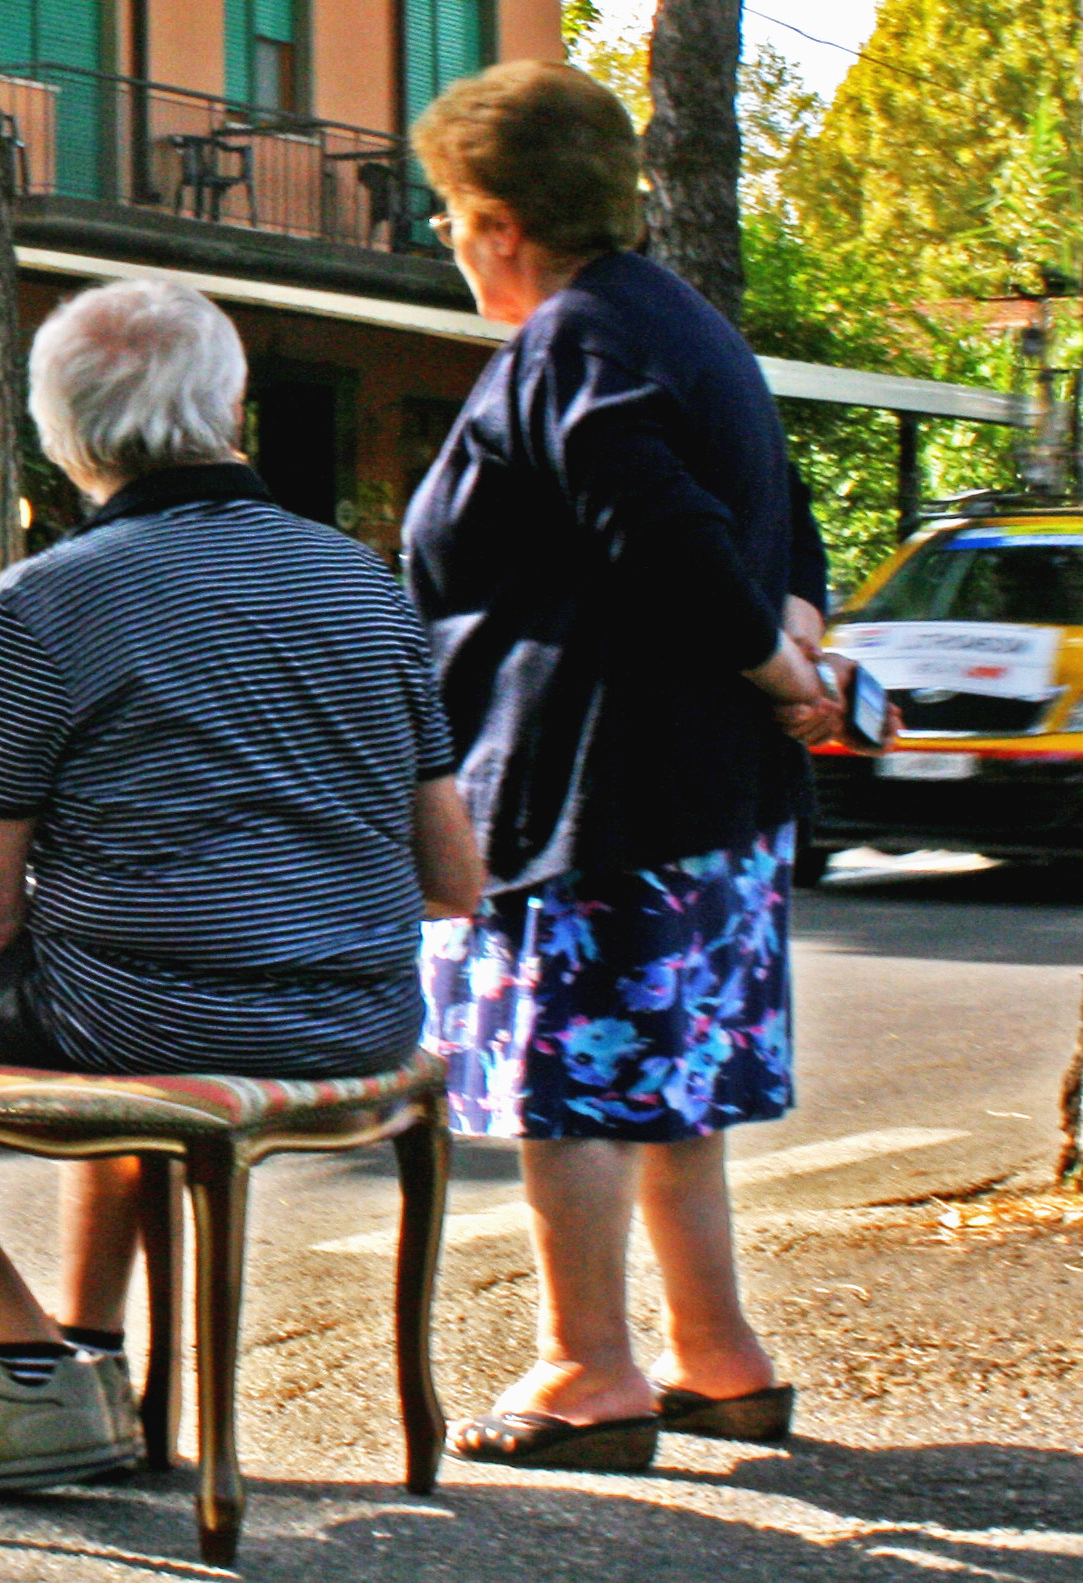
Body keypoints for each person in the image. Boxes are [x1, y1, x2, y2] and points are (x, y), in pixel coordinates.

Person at [0, 278, 482, 1496]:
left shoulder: (45, 600)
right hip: (364, 1020)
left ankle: (19, 1369)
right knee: (101, 989)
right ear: (228, 407)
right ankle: (91, 1356)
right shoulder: (362, 584)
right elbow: (454, 877)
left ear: (59, 435)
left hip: (148, 1017)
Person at [403, 60, 861, 1472]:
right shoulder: (682, 326)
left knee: (575, 1084)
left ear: (496, 217)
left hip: (590, 789)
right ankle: (716, 1359)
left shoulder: (571, 343)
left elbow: (656, 528)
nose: (446, 240)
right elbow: (773, 528)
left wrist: (778, 663)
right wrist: (790, 635)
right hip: (702, 793)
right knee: (673, 1089)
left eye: (446, 212)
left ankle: (586, 1367)